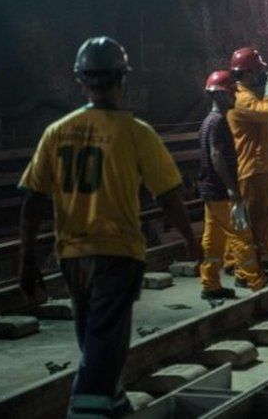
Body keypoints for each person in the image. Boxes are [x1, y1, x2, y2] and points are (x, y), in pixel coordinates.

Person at [17, 36, 202, 418]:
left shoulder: (57, 131)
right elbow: (168, 194)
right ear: (122, 79)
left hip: (72, 256)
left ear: (80, 80)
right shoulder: (136, 133)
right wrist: (190, 239)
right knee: (102, 351)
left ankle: (116, 408)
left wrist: (26, 260)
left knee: (96, 346)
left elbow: (32, 202)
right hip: (117, 255)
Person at [197, 70, 268, 298]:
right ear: (220, 95)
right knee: (240, 235)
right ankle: (256, 281)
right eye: (231, 93)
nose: (234, 97)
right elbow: (217, 155)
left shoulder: (207, 122)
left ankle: (210, 284)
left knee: (213, 240)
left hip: (209, 189)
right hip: (221, 190)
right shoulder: (219, 122)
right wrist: (232, 188)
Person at [226, 46, 268, 273]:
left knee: (259, 223)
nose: (261, 75)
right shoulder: (242, 100)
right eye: (258, 71)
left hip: (261, 166)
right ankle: (245, 271)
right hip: (253, 167)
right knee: (252, 224)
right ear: (249, 73)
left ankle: (252, 267)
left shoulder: (251, 97)